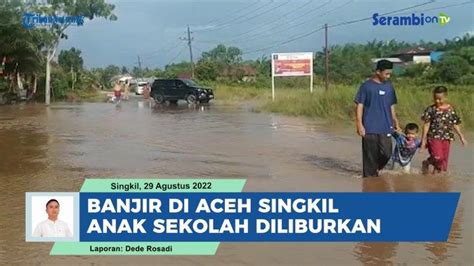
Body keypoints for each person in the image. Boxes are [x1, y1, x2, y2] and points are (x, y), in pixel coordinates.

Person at [354, 59, 401, 177]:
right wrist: (359, 124)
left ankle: (377, 169)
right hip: (369, 127)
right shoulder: (366, 86)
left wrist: (396, 121)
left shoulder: (389, 87)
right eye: (386, 73)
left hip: (386, 126)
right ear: (378, 72)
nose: (388, 76)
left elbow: (391, 105)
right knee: (370, 156)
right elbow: (360, 105)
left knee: (387, 153)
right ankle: (370, 184)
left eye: (390, 74)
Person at [420, 86, 467, 174]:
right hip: (433, 137)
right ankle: (427, 162)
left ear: (446, 97)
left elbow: (455, 123)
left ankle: (439, 183)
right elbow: (426, 124)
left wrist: (462, 137)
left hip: (447, 137)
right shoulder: (431, 109)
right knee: (438, 157)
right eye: (435, 99)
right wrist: (423, 140)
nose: (437, 101)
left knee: (443, 163)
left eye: (440, 99)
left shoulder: (451, 109)